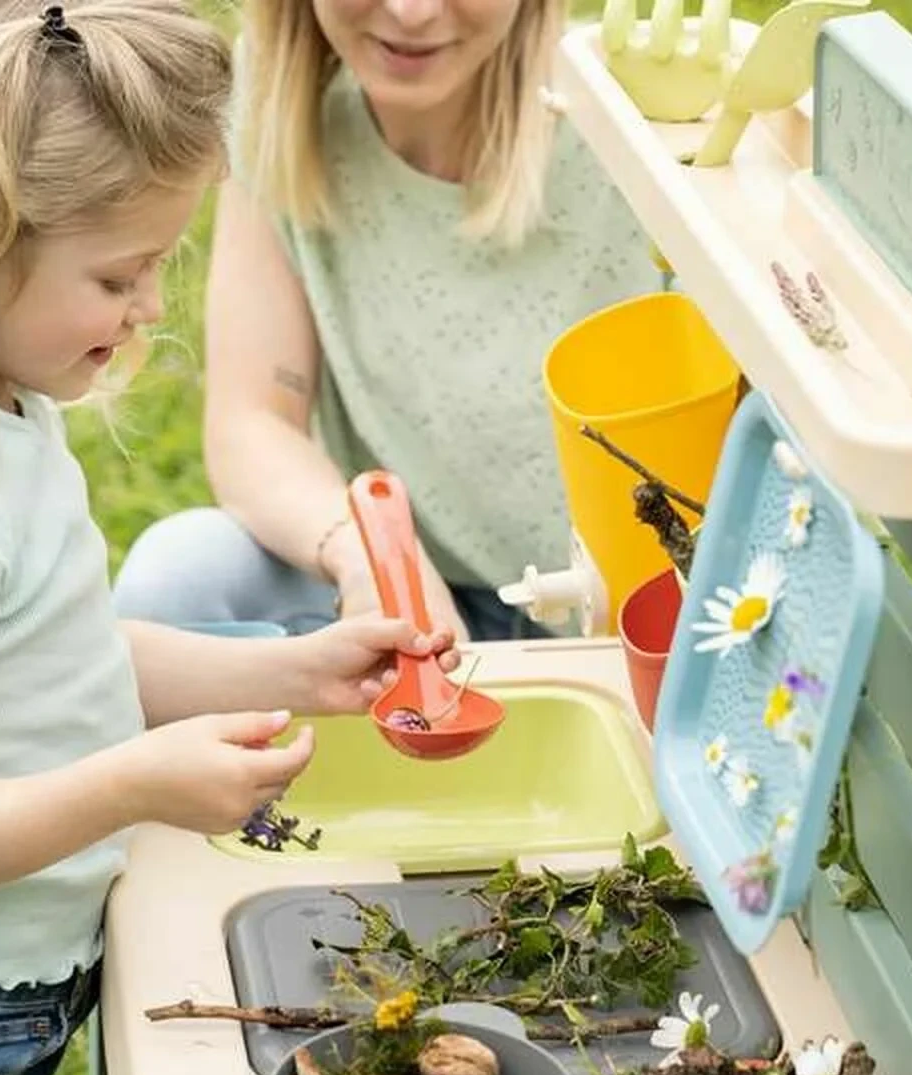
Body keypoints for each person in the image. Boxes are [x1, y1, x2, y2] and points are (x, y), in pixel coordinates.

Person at [0, 3, 456, 1075]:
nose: (150, 307)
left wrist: (296, 669)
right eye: (119, 274)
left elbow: (65, 657)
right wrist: (140, 781)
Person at [112, 0, 662, 643]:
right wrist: (375, 559)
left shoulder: (630, 116)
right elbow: (252, 422)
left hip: (631, 615)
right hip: (416, 589)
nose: (411, 12)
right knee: (177, 578)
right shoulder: (280, 103)